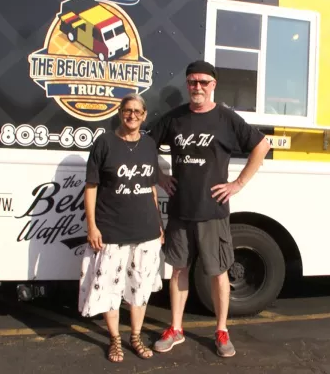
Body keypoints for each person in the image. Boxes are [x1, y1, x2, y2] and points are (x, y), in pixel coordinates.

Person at [145, 60, 271, 358]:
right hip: (181, 210)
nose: (197, 87)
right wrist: (161, 176)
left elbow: (262, 145)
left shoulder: (226, 119)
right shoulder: (174, 119)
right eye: (192, 82)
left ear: (213, 85)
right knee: (179, 270)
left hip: (213, 211)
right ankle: (175, 328)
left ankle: (222, 330)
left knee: (218, 272)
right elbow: (144, 145)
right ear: (187, 85)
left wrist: (237, 183)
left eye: (203, 82)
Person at [78, 93, 165, 363]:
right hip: (112, 231)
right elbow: (91, 187)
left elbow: (151, 187)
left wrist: (159, 225)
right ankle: (115, 339)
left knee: (140, 287)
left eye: (138, 112)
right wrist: (92, 226)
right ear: (119, 112)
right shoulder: (104, 143)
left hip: (146, 231)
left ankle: (135, 336)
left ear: (144, 115)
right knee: (109, 289)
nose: (132, 116)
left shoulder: (149, 145)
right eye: (128, 110)